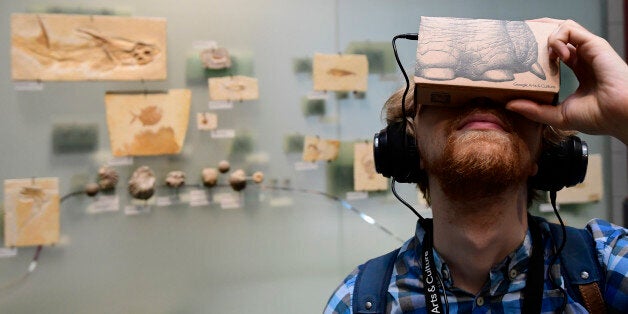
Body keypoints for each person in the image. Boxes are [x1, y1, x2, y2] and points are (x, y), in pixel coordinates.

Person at [324, 18, 628, 313]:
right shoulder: (358, 303)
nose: (482, 101)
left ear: (545, 154)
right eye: (450, 93)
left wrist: (624, 107)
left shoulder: (606, 263)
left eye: (510, 96)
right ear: (409, 148)